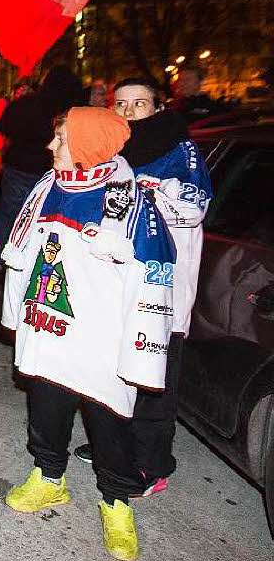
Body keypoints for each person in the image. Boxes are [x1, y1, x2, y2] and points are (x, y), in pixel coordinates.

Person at [1, 107, 175, 561]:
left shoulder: (131, 201)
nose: (50, 147)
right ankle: (48, 477)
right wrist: (17, 316)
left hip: (101, 340)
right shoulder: (45, 188)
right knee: (46, 406)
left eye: (60, 139)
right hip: (49, 328)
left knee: (108, 422)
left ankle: (117, 502)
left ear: (87, 147)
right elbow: (21, 256)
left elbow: (152, 280)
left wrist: (142, 352)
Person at [71, 78, 212, 496]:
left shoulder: (179, 150)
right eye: (122, 104)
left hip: (161, 287)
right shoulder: (112, 150)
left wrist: (149, 191)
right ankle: (115, 448)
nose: (131, 111)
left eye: (140, 103)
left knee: (154, 377)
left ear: (158, 107)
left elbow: (193, 207)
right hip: (116, 283)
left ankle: (152, 465)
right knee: (117, 371)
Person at [0, 66, 84, 269]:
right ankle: (30, 257)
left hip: (19, 165)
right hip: (47, 169)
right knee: (41, 216)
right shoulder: (66, 110)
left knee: (9, 213)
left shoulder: (24, 104)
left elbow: (2, 127)